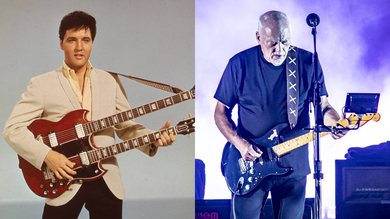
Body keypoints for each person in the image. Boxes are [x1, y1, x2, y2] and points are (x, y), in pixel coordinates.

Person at [3, 11, 175, 219]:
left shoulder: (109, 81)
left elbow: (127, 127)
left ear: (92, 42)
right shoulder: (41, 84)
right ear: (61, 43)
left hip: (106, 180)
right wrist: (47, 156)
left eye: (85, 40)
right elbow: (13, 129)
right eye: (71, 40)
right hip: (63, 180)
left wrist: (154, 138)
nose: (79, 47)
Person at [214, 10, 345, 219]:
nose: (280, 49)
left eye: (285, 41)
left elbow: (324, 106)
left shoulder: (307, 62)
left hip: (293, 164)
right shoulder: (239, 64)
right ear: (258, 37)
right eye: (272, 43)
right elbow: (220, 113)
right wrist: (240, 144)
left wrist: (336, 122)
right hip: (251, 161)